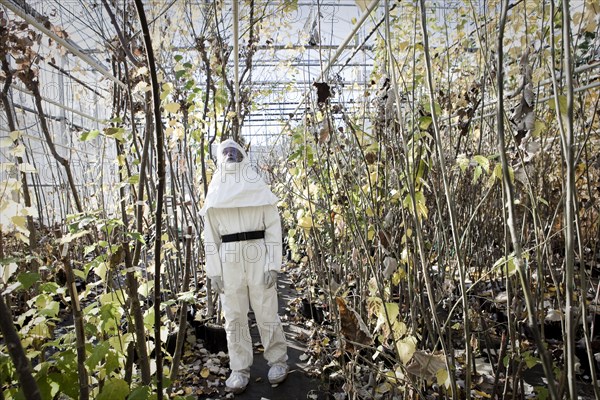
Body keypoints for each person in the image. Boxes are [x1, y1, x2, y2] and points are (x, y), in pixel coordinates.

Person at [200, 139, 288, 394]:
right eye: (225, 152)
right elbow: (210, 236)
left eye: (233, 152)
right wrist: (214, 271)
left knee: (266, 308)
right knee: (234, 314)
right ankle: (239, 368)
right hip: (229, 257)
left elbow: (272, 227)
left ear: (243, 156)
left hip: (257, 250)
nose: (230, 156)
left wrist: (273, 264)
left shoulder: (256, 186)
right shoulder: (215, 191)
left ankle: (278, 361)